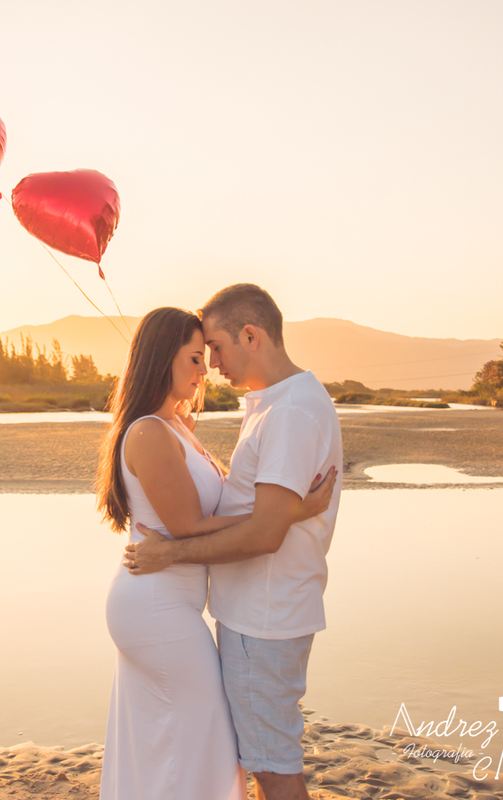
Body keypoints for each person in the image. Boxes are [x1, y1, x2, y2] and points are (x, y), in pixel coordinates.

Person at [97, 306, 335, 800]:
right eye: (194, 358)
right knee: (207, 736)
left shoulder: (178, 425)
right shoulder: (148, 432)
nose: (205, 370)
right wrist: (287, 511)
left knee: (176, 739)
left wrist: (281, 507)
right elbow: (188, 526)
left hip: (175, 599)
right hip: (155, 603)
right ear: (163, 358)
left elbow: (224, 504)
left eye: (207, 356)